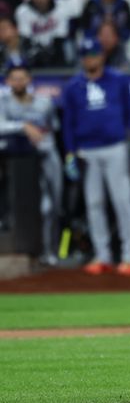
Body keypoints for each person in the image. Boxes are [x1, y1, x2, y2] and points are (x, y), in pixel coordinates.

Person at [61, 39, 130, 277]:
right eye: (87, 55)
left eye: (95, 54)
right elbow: (68, 124)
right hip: (87, 150)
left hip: (115, 147)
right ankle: (102, 255)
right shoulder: (73, 86)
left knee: (123, 201)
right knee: (94, 204)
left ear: (102, 56)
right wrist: (69, 154)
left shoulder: (117, 79)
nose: (91, 59)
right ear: (81, 58)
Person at [0, 60, 62, 266]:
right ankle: (24, 249)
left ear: (29, 80)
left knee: (52, 203)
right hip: (16, 160)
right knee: (18, 206)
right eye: (14, 78)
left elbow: (54, 127)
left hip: (45, 155)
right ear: (8, 81)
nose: (18, 82)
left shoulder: (44, 102)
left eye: (22, 77)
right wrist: (23, 126)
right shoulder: (3, 99)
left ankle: (50, 250)